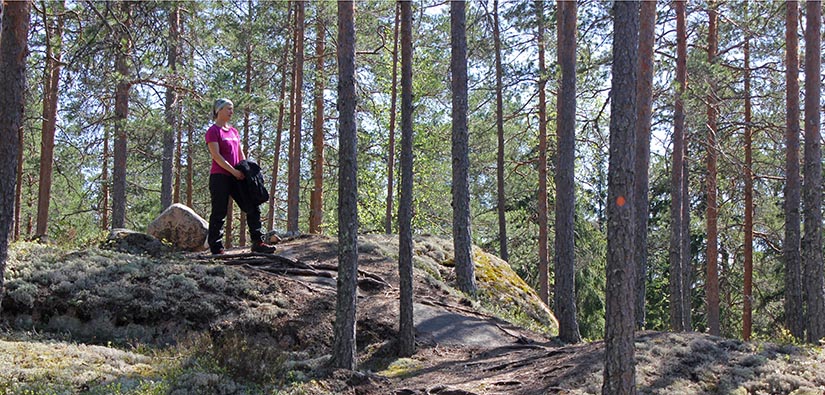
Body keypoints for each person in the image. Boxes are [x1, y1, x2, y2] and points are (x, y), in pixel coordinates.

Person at [205, 98, 276, 255]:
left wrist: (245, 169)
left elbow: (239, 152)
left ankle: (258, 242)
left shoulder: (233, 131)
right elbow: (216, 156)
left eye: (232, 108)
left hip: (238, 176)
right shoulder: (213, 131)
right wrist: (233, 171)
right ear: (219, 110)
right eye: (228, 108)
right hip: (220, 176)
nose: (231, 112)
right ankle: (216, 248)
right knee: (219, 211)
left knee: (252, 206)